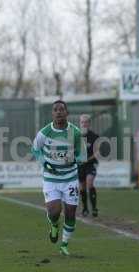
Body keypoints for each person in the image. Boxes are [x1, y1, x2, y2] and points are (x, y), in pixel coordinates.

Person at [32, 100, 87, 256]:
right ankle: (54, 225)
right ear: (52, 113)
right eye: (55, 110)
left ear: (67, 113)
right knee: (55, 211)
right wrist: (44, 163)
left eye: (61, 109)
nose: (58, 112)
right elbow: (35, 149)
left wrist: (74, 158)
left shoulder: (75, 132)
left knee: (70, 212)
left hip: (70, 178)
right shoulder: (44, 132)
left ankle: (64, 245)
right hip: (51, 179)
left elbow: (82, 154)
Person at [78, 114, 99, 217]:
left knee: (89, 182)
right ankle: (85, 208)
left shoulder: (94, 136)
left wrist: (87, 159)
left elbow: (97, 152)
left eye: (86, 122)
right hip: (80, 165)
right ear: (79, 123)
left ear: (89, 123)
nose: (84, 124)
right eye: (82, 122)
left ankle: (94, 208)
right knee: (82, 187)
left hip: (91, 163)